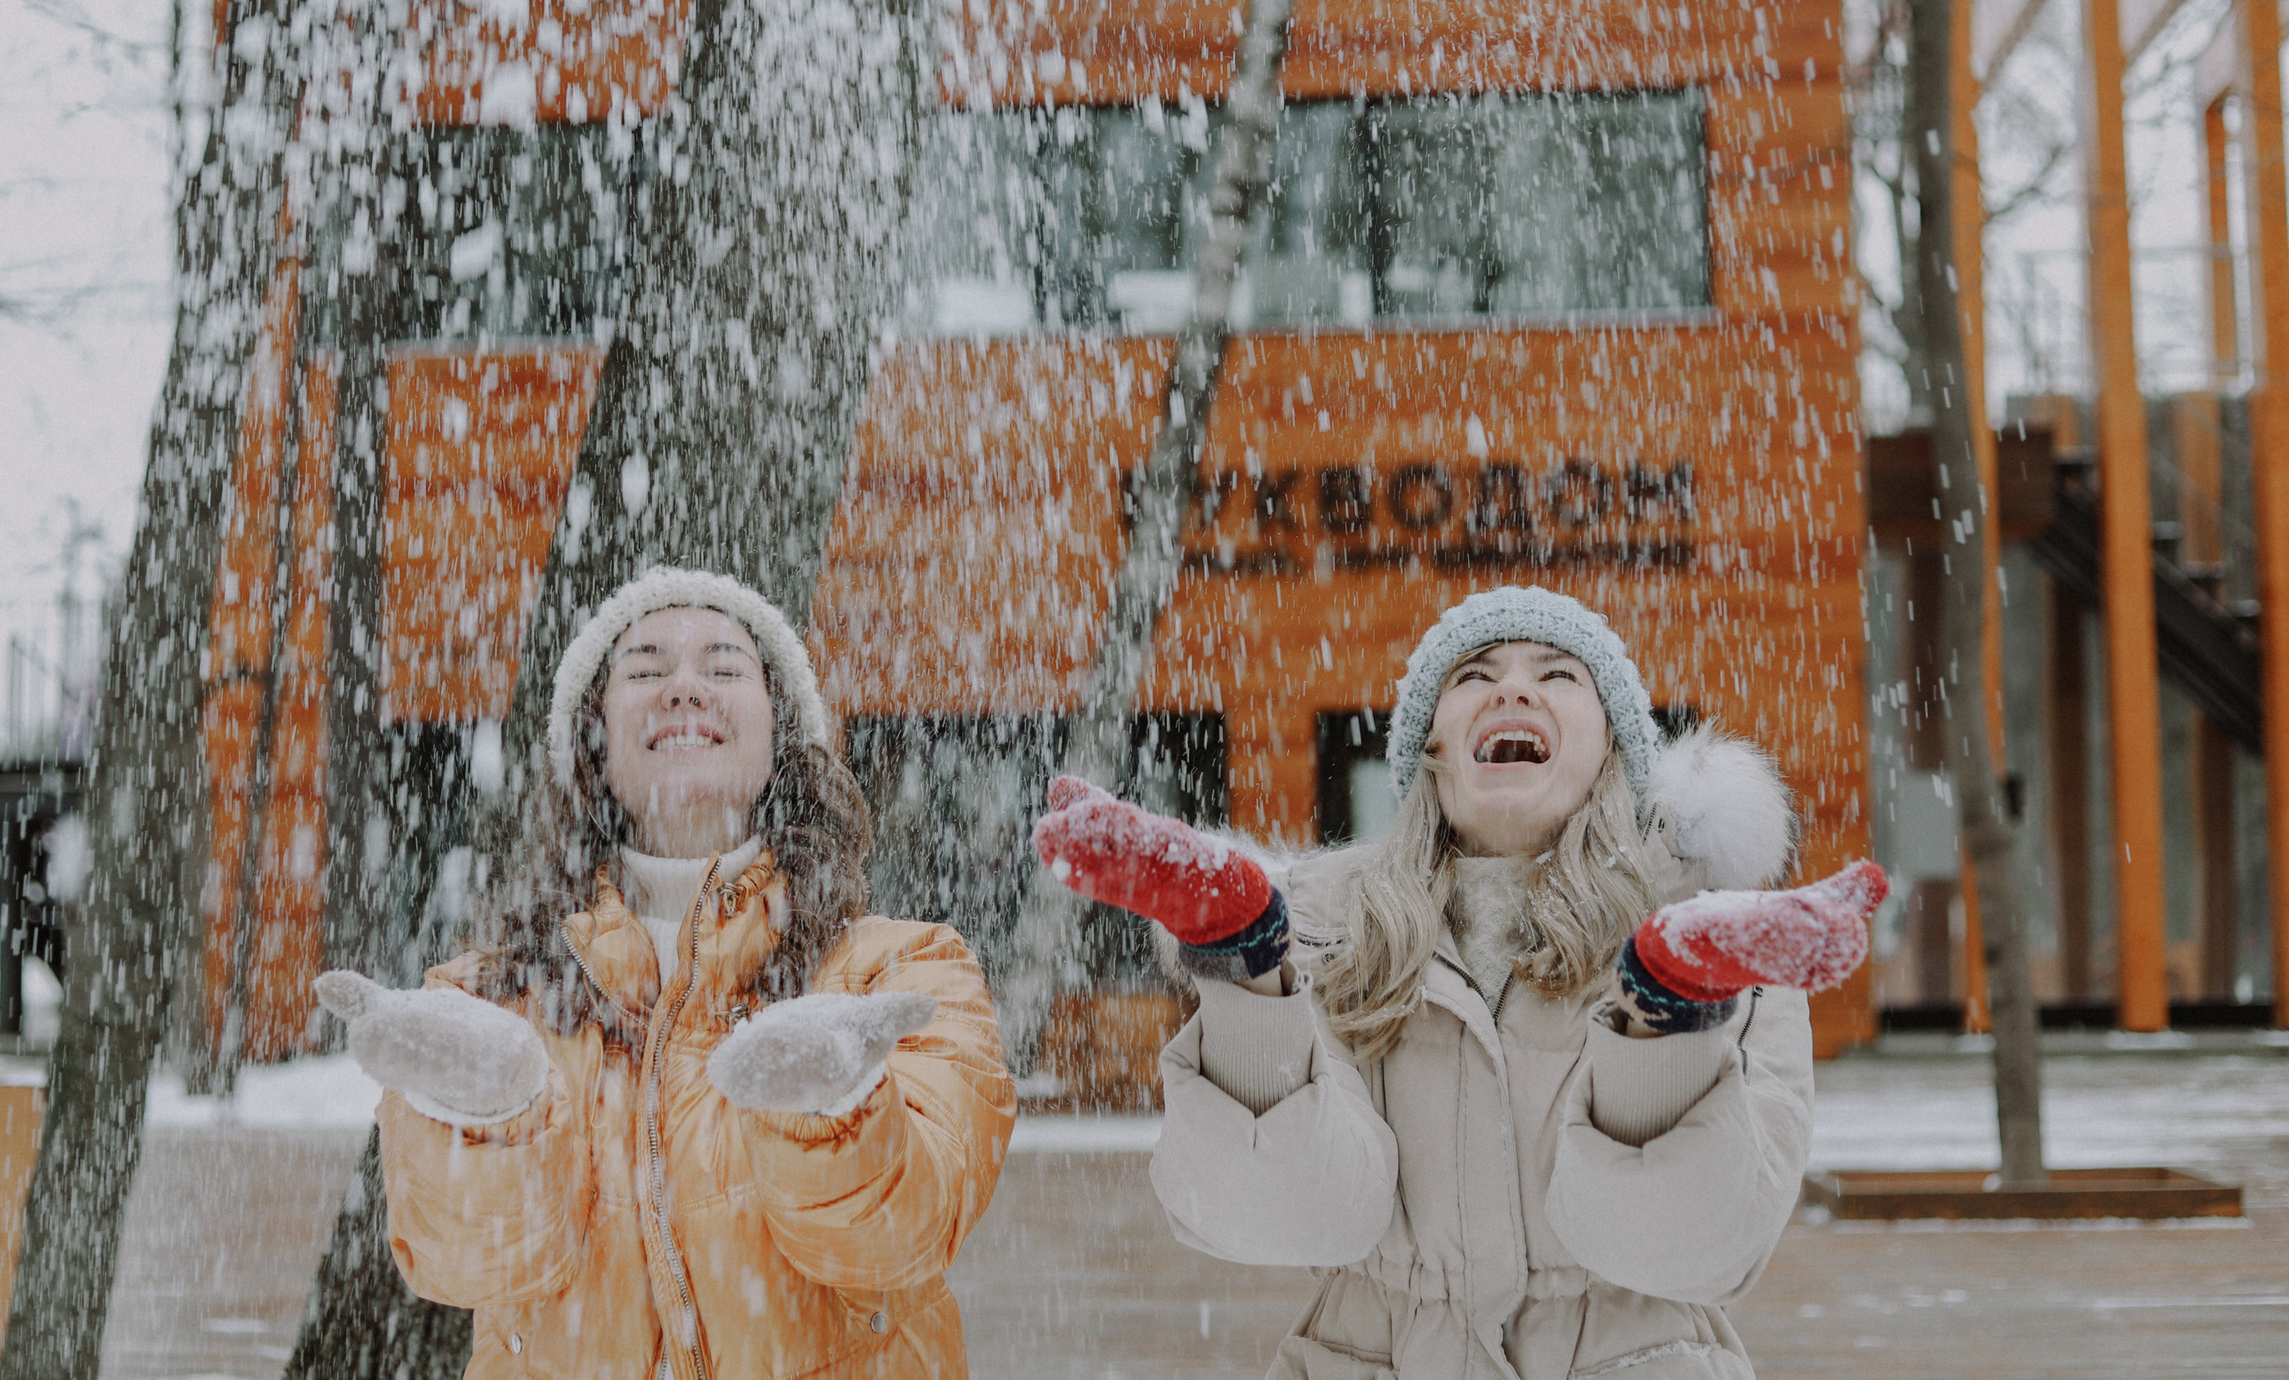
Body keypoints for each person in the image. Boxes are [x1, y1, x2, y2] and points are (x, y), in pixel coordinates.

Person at [1034, 584, 1886, 1380]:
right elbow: (1282, 1215)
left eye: (1558, 675)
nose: (1513, 691)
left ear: (1614, 749)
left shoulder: (1727, 944)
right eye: (1474, 676)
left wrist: (1673, 1009)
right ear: (1432, 750)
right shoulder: (1327, 934)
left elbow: (1694, 1249)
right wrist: (1242, 970)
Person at [315, 566, 1015, 1380]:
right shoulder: (485, 1003)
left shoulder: (907, 976)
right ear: (594, 741)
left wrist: (838, 1105)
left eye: (724, 669)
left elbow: (901, 1234)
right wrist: (489, 1115)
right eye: (645, 670)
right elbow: (462, 1264)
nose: (684, 689)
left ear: (783, 735)